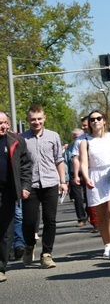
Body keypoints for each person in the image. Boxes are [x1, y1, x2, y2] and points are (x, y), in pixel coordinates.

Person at [20, 105, 67, 269]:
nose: (36, 122)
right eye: (33, 119)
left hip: (50, 183)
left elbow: (59, 160)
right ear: (28, 120)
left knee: (50, 220)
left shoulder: (53, 136)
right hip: (30, 185)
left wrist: (63, 181)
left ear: (44, 118)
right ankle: (29, 246)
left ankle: (46, 254)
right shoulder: (22, 139)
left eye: (39, 119)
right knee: (29, 221)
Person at [79, 111, 110, 259]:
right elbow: (84, 163)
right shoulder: (85, 142)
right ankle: (107, 245)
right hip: (95, 177)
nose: (95, 121)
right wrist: (86, 178)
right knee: (101, 216)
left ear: (104, 121)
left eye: (98, 118)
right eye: (92, 120)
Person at [0, 111, 31, 283]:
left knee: (6, 231)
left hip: (7, 193)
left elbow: (26, 165)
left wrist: (25, 187)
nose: (3, 126)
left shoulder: (16, 141)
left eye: (5, 123)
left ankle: (0, 268)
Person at [65, 128, 87, 227]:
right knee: (77, 198)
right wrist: (66, 179)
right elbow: (65, 163)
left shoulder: (87, 145)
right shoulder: (69, 148)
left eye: (78, 137)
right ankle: (81, 218)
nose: (77, 139)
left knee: (89, 197)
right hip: (74, 174)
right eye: (75, 137)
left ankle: (91, 215)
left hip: (86, 173)